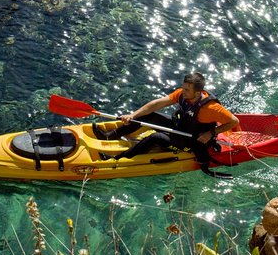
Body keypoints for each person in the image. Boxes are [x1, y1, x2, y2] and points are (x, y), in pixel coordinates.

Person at [93, 72, 239, 177]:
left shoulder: (211, 108)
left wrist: (211, 133)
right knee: (148, 116)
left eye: (187, 89)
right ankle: (109, 136)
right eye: (183, 87)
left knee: (156, 137)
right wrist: (133, 115)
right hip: (181, 127)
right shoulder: (182, 94)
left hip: (193, 140)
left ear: (198, 92)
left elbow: (234, 121)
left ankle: (118, 159)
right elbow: (155, 104)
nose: (183, 91)